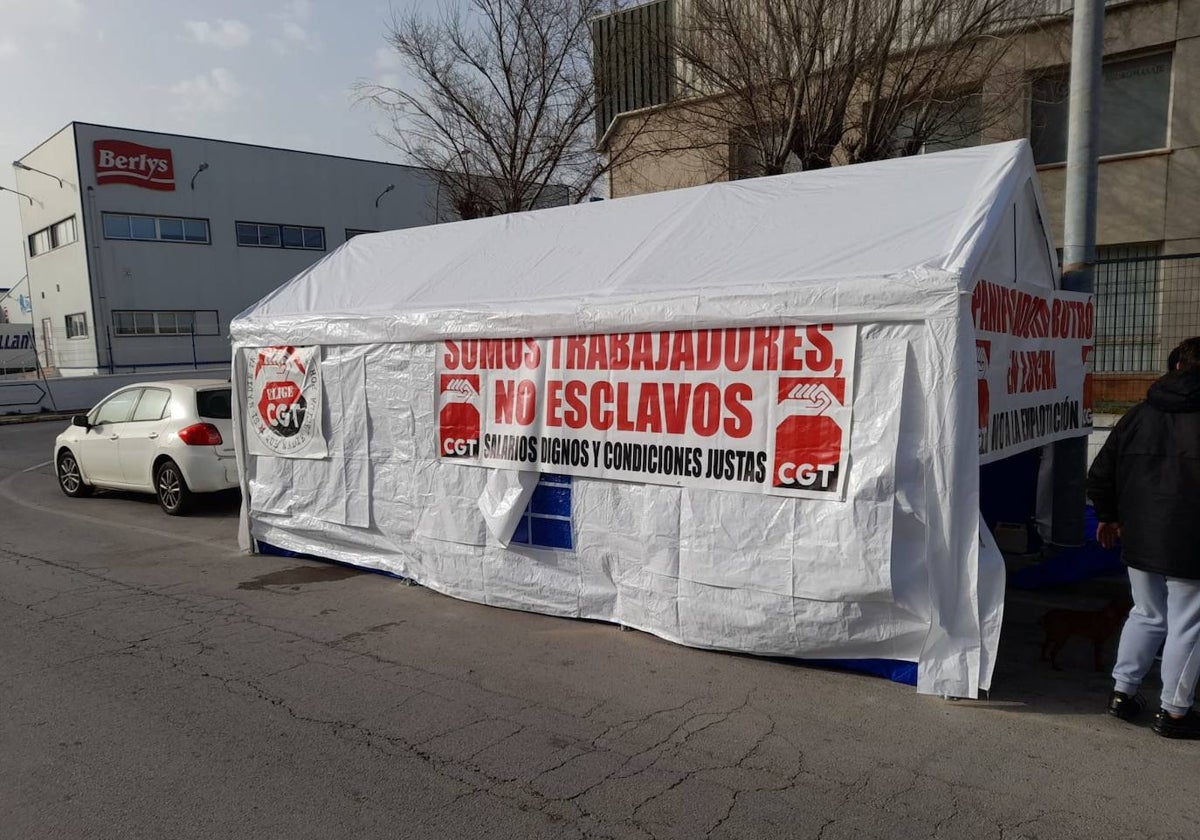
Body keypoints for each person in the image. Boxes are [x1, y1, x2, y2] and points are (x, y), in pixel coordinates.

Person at [1087, 336, 1200, 738]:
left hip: (1140, 537)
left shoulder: (1138, 414)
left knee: (1147, 613)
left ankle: (1123, 693)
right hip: (1191, 541)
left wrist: (1108, 516)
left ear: (1174, 367)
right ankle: (1175, 713)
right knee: (1190, 622)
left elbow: (1100, 472)